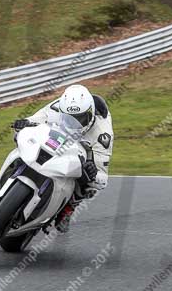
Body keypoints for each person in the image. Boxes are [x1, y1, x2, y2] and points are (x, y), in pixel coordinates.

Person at [12, 84, 114, 233]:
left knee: (91, 182)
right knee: (24, 138)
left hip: (86, 144)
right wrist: (26, 122)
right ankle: (15, 172)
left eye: (79, 118)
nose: (75, 123)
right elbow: (40, 117)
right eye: (69, 117)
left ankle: (68, 209)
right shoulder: (59, 106)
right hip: (60, 131)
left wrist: (94, 170)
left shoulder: (103, 133)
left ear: (90, 114)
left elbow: (102, 178)